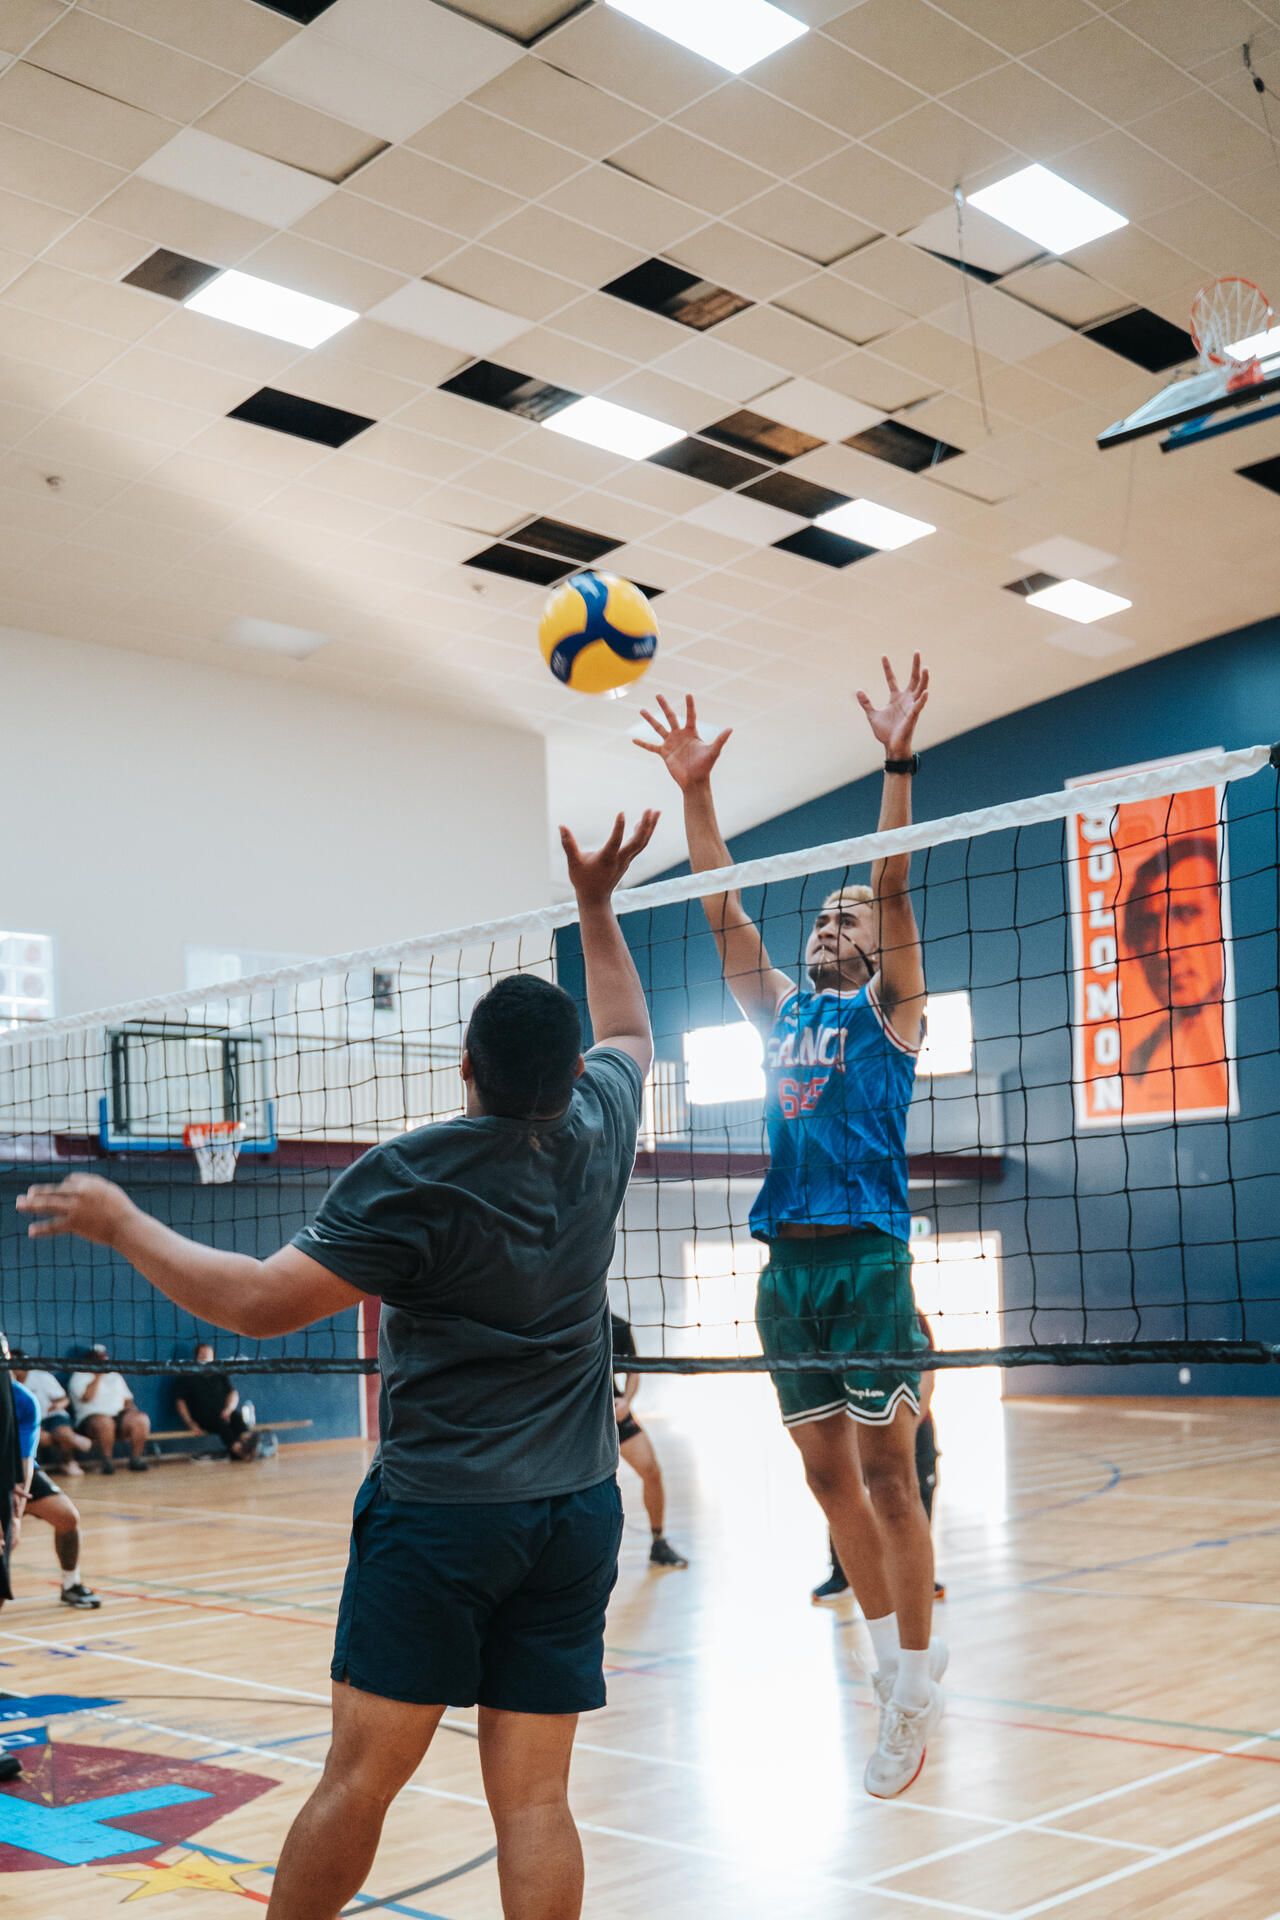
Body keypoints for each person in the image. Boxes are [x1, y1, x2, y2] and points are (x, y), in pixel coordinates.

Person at [17, 807, 658, 1920]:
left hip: (444, 1518)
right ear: (570, 1074)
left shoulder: (412, 1174)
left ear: (466, 1065)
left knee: (359, 1780)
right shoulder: (602, 1125)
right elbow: (632, 1031)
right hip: (574, 1512)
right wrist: (596, 907)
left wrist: (123, 1223)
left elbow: (260, 1306)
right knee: (537, 1807)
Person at [638, 658, 945, 1799]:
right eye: (821, 911)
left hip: (867, 1262)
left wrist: (895, 759)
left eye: (845, 913)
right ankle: (887, 1666)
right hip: (785, 1276)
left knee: (889, 1476)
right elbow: (719, 910)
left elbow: (896, 882)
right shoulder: (777, 1015)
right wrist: (694, 793)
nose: (830, 919)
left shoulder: (893, 1011)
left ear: (874, 944)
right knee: (823, 1482)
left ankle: (913, 1679)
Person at [813, 1313, 944, 1604]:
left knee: (917, 1495)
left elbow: (927, 1380)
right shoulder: (839, 1322)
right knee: (845, 1493)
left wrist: (905, 1430)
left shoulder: (911, 1320)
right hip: (856, 1425)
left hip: (911, 1426)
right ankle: (841, 1575)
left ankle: (919, 1574)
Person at [2, 1336, 100, 1611]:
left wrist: (16, 1513)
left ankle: (71, 1584)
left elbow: (25, 1459)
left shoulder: (23, 1400)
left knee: (68, 1518)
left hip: (18, 1473)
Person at [610, 1312, 687, 1569]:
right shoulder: (563, 1319)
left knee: (651, 1470)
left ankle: (658, 1543)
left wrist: (626, 1401)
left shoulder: (616, 1325)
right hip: (576, 1417)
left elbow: (634, 1371)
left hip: (614, 1412)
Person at [67, 1345, 150, 1475]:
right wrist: (98, 1376)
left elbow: (128, 1399)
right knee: (105, 1423)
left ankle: (136, 1459)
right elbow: (87, 1397)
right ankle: (107, 1462)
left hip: (118, 1415)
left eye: (104, 1358)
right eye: (98, 1359)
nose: (102, 1362)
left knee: (141, 1419)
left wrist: (131, 1410)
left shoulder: (114, 1375)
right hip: (91, 1419)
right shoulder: (79, 1376)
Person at [174, 1344, 259, 1460]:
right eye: (203, 1355)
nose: (206, 1358)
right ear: (197, 1356)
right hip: (203, 1416)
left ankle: (250, 1443)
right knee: (222, 1426)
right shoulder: (187, 1376)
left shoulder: (219, 1373)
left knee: (237, 1418)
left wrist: (229, 1410)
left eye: (209, 1355)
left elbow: (233, 1393)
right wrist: (190, 1422)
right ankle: (241, 1452)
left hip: (223, 1412)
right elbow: (180, 1403)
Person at [12, 1357, 91, 1476]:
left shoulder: (41, 1376)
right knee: (40, 1438)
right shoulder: (8, 1382)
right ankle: (72, 1440)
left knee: (63, 1432)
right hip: (31, 1422)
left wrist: (57, 1406)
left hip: (53, 1416)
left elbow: (64, 1399)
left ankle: (69, 1461)